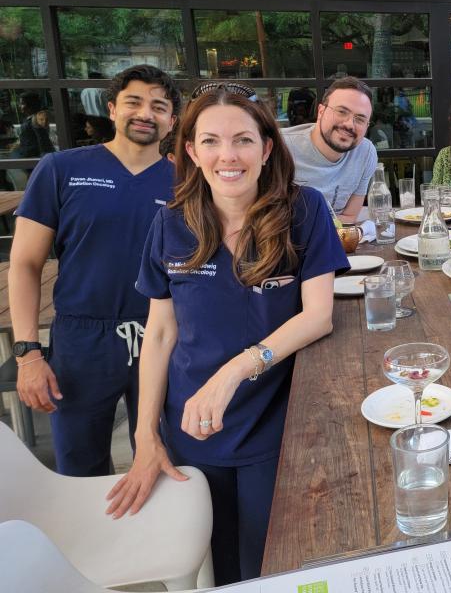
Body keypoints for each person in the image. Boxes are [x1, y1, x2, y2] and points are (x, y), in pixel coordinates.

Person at [105, 84, 346, 584]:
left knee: (271, 563)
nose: (227, 156)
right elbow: (161, 334)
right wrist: (145, 437)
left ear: (267, 147)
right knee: (216, 567)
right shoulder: (170, 223)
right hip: (193, 429)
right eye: (210, 141)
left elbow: (319, 314)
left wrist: (235, 370)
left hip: (275, 426)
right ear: (191, 151)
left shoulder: (305, 211)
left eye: (242, 140)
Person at [10, 65, 182, 476]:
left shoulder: (187, 182)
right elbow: (24, 264)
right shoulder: (61, 169)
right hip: (81, 340)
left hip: (164, 337)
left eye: (159, 106)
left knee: (165, 460)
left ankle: (153, 541)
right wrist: (27, 353)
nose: (146, 113)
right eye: (134, 102)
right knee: (79, 466)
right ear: (111, 109)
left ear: (172, 120)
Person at [281, 75, 377, 223]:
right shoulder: (281, 147)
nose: (350, 124)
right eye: (342, 112)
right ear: (321, 112)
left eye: (360, 119)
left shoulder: (365, 153)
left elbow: (349, 217)